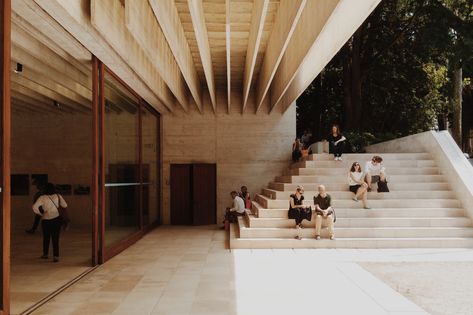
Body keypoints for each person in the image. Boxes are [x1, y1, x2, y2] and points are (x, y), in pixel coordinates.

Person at [32, 183, 68, 262]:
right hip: (56, 219)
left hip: (46, 220)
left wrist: (40, 213)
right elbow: (65, 205)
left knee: (46, 237)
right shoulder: (58, 196)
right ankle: (56, 256)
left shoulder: (42, 197)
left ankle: (45, 254)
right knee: (55, 238)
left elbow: (34, 207)